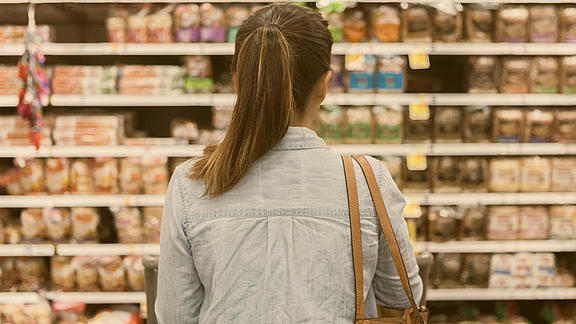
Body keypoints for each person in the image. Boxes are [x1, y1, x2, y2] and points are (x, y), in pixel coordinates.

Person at [156, 3, 423, 323]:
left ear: (239, 82)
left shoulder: (193, 181)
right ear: (324, 84)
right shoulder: (366, 178)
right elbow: (401, 297)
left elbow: (175, 314)